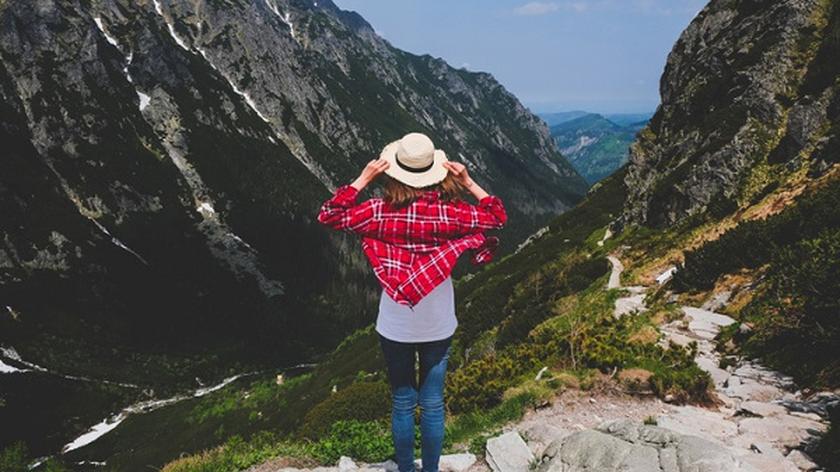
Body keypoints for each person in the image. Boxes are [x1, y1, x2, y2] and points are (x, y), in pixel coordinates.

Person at [317, 132, 507, 472]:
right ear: (436, 172)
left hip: (396, 322)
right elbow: (496, 216)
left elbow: (329, 214)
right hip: (438, 321)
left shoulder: (377, 212)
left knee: (403, 402)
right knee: (433, 404)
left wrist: (363, 178)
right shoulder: (452, 214)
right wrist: (469, 182)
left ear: (394, 172)